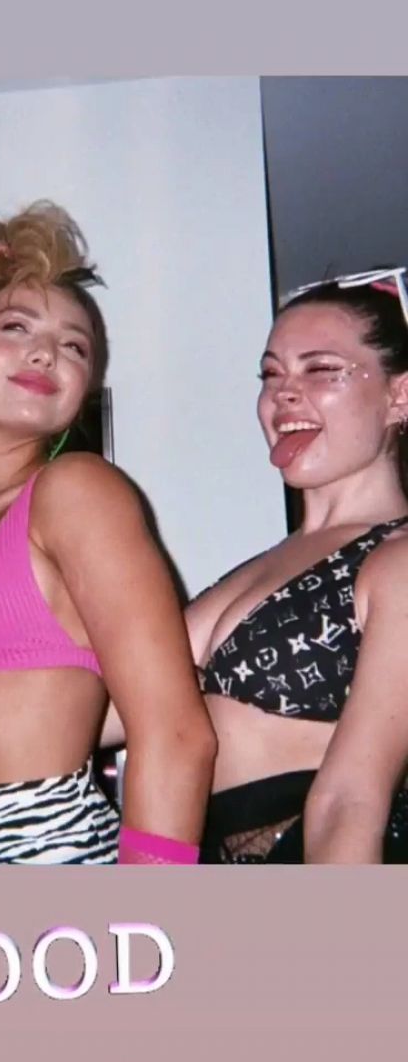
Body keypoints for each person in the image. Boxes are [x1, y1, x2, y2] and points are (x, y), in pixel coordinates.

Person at [0, 201, 217, 864]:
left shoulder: (77, 492)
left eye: (74, 346)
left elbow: (177, 734)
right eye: (16, 326)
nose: (46, 351)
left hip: (39, 845)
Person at [187, 267, 408, 862]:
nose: (283, 393)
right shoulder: (259, 566)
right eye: (271, 373)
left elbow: (351, 801)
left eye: (321, 369)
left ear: (399, 395)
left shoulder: (399, 558)